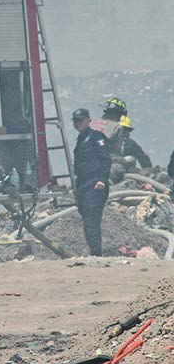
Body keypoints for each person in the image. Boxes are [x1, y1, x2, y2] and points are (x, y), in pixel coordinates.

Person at [72, 107, 111, 257]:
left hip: (95, 183)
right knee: (85, 215)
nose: (78, 123)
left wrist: (102, 179)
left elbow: (105, 159)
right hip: (83, 184)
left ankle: (96, 252)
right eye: (75, 121)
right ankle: (93, 250)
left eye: (80, 120)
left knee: (91, 215)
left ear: (88, 120)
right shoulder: (81, 139)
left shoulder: (96, 137)